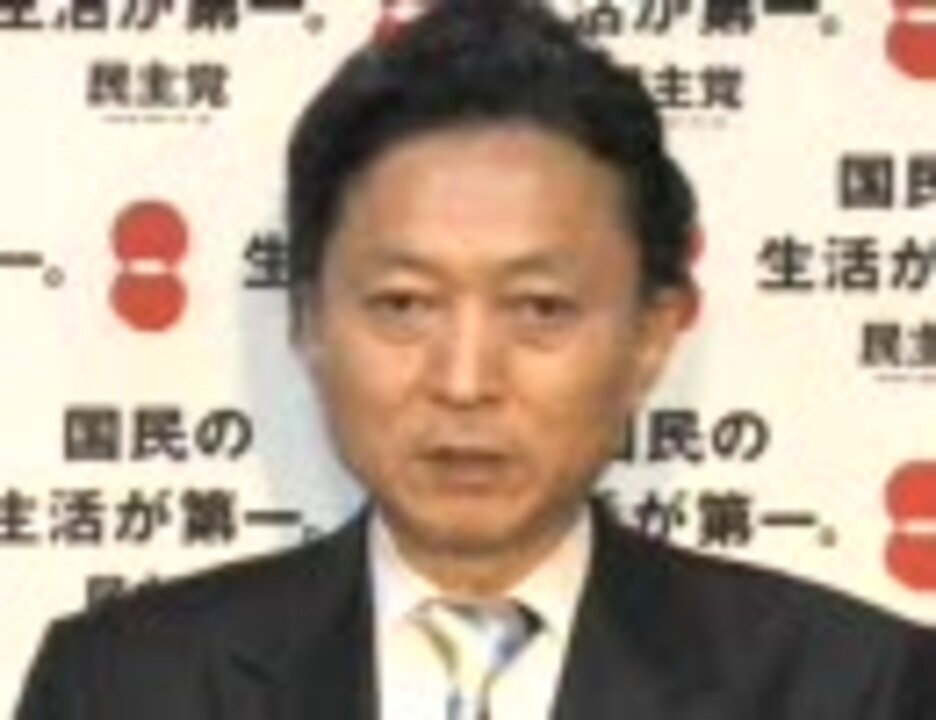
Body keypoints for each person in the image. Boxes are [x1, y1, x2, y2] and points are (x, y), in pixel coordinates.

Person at [16, 1, 936, 718]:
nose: (464, 382)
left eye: (540, 309)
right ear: (308, 322)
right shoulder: (125, 686)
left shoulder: (850, 687)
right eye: (404, 305)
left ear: (653, 333)